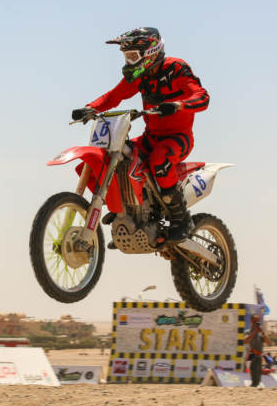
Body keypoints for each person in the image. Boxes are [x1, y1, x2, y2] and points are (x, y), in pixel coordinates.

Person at [72, 27, 210, 244]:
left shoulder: (176, 68)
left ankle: (181, 220)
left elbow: (202, 97)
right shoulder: (141, 75)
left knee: (159, 160)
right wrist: (90, 108)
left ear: (151, 53)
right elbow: (113, 96)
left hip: (178, 137)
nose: (129, 61)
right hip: (151, 137)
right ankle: (124, 211)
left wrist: (178, 105)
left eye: (133, 56)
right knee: (115, 156)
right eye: (127, 56)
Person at [244, 314, 271, 387]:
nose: (255, 322)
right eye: (254, 321)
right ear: (251, 321)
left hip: (259, 357)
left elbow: (268, 342)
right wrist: (253, 332)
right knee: (254, 377)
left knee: (258, 377)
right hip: (251, 356)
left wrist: (263, 333)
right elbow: (245, 341)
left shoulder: (261, 333)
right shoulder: (248, 332)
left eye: (257, 321)